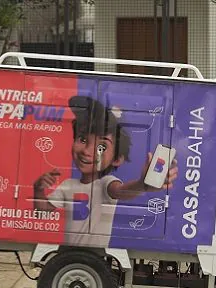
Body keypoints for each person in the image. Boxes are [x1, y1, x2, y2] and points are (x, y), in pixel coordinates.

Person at [33, 95, 178, 247]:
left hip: (95, 254)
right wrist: (38, 190)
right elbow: (42, 211)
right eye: (82, 139)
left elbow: (120, 191)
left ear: (117, 159)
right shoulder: (68, 185)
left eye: (101, 147)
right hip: (68, 252)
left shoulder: (105, 183)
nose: (87, 151)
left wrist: (142, 184)